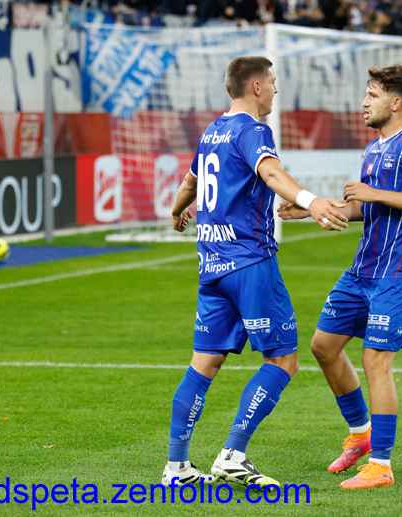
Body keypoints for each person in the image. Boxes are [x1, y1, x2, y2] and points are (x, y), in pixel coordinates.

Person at [162, 55, 349, 488]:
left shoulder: (212, 131)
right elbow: (270, 171)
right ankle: (232, 454)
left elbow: (190, 184)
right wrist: (312, 202)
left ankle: (176, 467)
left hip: (211, 265)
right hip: (250, 262)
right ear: (257, 87)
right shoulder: (253, 130)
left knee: (203, 364)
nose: (277, 89)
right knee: (282, 360)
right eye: (273, 81)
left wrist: (175, 212)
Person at [279, 63, 402, 489]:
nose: (364, 103)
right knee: (323, 347)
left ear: (396, 102)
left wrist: (373, 193)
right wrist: (317, 209)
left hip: (400, 272)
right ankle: (360, 434)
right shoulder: (372, 150)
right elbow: (368, 207)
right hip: (363, 269)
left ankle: (382, 466)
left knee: (375, 360)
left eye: (372, 95)